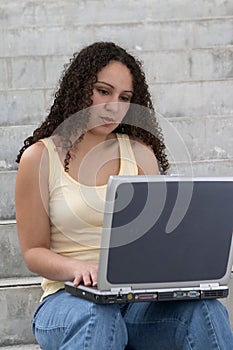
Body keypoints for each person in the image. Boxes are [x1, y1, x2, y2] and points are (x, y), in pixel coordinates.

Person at [15, 41, 233, 350]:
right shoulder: (39, 158)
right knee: (99, 317)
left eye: (125, 98)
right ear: (79, 88)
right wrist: (80, 269)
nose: (114, 106)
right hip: (68, 300)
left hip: (136, 303)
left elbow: (160, 241)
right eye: (103, 91)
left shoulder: (141, 155)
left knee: (205, 311)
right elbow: (33, 251)